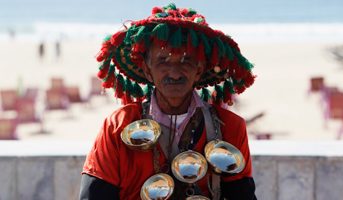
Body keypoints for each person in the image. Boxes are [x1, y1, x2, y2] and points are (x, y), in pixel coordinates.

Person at [79, 3, 257, 200]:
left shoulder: (231, 127)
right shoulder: (117, 126)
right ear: (147, 70)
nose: (174, 73)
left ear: (199, 70)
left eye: (186, 61)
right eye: (163, 61)